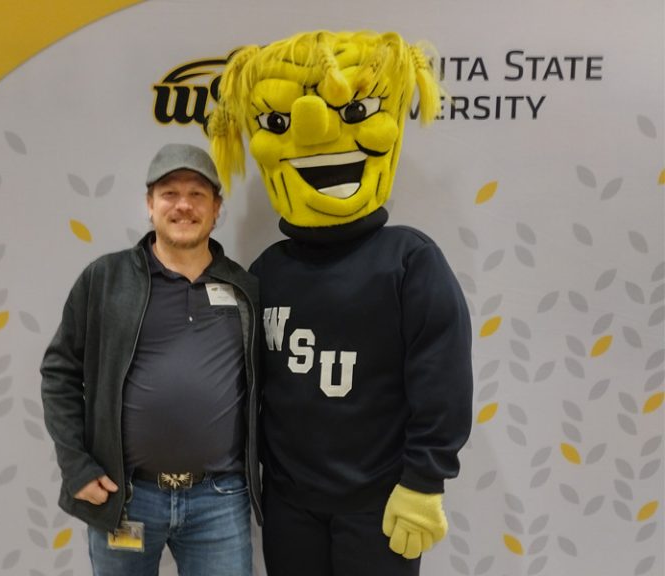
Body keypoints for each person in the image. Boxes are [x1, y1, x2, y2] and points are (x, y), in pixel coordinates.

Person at [209, 31, 473, 576]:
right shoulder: (267, 271)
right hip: (290, 504)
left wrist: (424, 481)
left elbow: (441, 379)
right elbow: (250, 383)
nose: (313, 133)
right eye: (280, 123)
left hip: (378, 503)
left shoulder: (410, 259)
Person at [40, 142, 261, 576]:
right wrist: (76, 466)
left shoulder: (245, 289)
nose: (183, 205)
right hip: (127, 498)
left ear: (217, 208)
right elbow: (59, 373)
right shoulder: (105, 279)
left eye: (198, 194)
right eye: (169, 193)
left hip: (219, 500)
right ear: (149, 204)